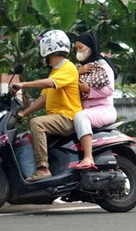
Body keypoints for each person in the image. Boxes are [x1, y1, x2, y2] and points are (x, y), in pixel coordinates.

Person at [9, 29, 82, 181]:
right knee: (30, 129)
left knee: (37, 123)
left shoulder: (67, 68)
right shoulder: (56, 71)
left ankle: (43, 169)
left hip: (67, 117)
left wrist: (24, 84)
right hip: (58, 117)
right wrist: (24, 113)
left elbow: (50, 84)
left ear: (48, 47)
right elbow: (43, 99)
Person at [73, 32, 118, 169]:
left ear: (90, 47)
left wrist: (88, 90)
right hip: (88, 110)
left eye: (81, 48)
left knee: (80, 117)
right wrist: (78, 73)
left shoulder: (102, 64)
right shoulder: (82, 67)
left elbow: (109, 89)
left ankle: (88, 157)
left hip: (103, 109)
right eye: (76, 49)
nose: (78, 52)